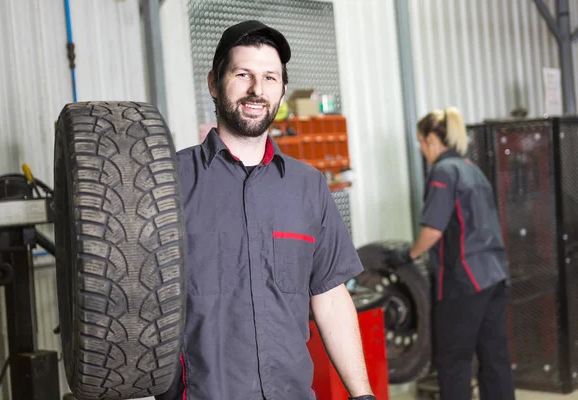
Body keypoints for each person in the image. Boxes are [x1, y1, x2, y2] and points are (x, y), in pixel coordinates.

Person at [157, 20, 375, 400]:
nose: (257, 90)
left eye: (270, 78)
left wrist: (363, 394)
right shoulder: (168, 181)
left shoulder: (307, 186)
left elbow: (330, 297)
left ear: (282, 90)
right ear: (213, 83)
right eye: (243, 74)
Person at [385, 107, 515, 400]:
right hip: (495, 277)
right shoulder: (472, 169)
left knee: (453, 361)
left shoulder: (443, 172)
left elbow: (433, 230)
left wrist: (407, 255)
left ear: (432, 138)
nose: (420, 148)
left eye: (421, 141)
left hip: (465, 281)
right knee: (495, 358)